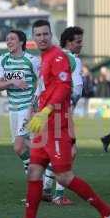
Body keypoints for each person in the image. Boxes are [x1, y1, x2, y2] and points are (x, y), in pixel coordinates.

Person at [0, 20, 110, 218]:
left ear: (51, 35)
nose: (42, 38)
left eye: (46, 34)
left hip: (57, 126)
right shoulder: (43, 58)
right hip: (43, 126)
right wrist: (35, 111)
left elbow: (65, 88)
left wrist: (47, 111)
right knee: (34, 173)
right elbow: (44, 89)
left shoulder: (57, 57)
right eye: (38, 35)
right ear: (33, 38)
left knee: (63, 177)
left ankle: (108, 213)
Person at [42, 26, 85, 206]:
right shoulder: (73, 60)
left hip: (46, 111)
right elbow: (74, 89)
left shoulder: (52, 56)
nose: (81, 45)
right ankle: (59, 195)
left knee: (53, 152)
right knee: (69, 152)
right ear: (68, 42)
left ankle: (45, 189)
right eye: (78, 41)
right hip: (62, 112)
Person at [0, 30, 40, 175]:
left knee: (18, 147)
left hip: (27, 109)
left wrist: (35, 104)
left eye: (12, 39)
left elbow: (43, 83)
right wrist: (12, 81)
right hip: (13, 109)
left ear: (21, 42)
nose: (9, 41)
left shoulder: (32, 60)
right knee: (22, 147)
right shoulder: (2, 59)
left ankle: (36, 171)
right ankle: (40, 168)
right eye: (7, 39)